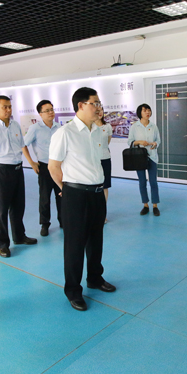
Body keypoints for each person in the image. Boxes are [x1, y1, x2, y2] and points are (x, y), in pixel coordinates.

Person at [49, 87, 116, 311]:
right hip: (76, 195)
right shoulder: (65, 133)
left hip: (97, 193)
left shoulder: (98, 131)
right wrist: (66, 189)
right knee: (75, 245)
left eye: (99, 103)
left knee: (96, 240)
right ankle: (73, 290)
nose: (99, 107)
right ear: (81, 105)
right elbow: (53, 167)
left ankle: (95, 278)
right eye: (94, 103)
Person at [0, 96, 37, 258]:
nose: (8, 110)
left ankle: (19, 236)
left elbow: (22, 145)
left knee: (18, 206)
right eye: (4, 107)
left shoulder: (15, 125)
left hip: (17, 169)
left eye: (10, 106)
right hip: (1, 170)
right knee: (1, 209)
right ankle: (3, 244)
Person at [22, 100, 62, 236]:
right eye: (47, 111)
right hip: (44, 167)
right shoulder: (35, 128)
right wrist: (31, 162)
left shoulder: (59, 127)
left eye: (52, 109)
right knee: (45, 197)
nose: (51, 112)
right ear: (40, 114)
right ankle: (45, 224)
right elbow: (23, 145)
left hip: (59, 166)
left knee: (61, 195)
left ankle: (63, 220)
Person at [127, 103, 161, 216]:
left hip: (152, 157)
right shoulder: (134, 127)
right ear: (139, 113)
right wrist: (140, 142)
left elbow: (158, 140)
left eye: (149, 110)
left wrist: (155, 144)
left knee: (153, 182)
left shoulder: (154, 126)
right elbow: (130, 142)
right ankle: (145, 205)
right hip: (139, 157)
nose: (147, 112)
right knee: (142, 182)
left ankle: (155, 205)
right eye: (145, 110)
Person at [95, 107, 113, 224]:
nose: (100, 113)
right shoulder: (90, 126)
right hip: (93, 160)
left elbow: (107, 142)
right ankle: (94, 213)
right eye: (97, 111)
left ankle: (103, 214)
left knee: (104, 187)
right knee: (94, 186)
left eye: (101, 110)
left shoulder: (108, 127)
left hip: (105, 159)